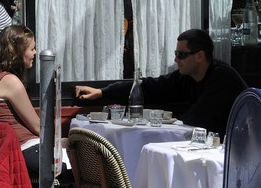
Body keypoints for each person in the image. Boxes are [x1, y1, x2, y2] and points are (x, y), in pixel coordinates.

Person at [73, 28, 248, 135]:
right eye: (176, 54)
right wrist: (103, 92)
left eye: (181, 55)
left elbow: (198, 117)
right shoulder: (185, 77)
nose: (176, 60)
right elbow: (150, 87)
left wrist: (161, 124)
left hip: (237, 149)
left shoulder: (223, 78)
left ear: (200, 56)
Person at [0, 25, 42, 177]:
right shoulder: (10, 81)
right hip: (29, 150)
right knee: (87, 164)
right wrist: (60, 141)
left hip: (21, 152)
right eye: (32, 49)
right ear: (18, 52)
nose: (35, 53)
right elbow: (37, 127)